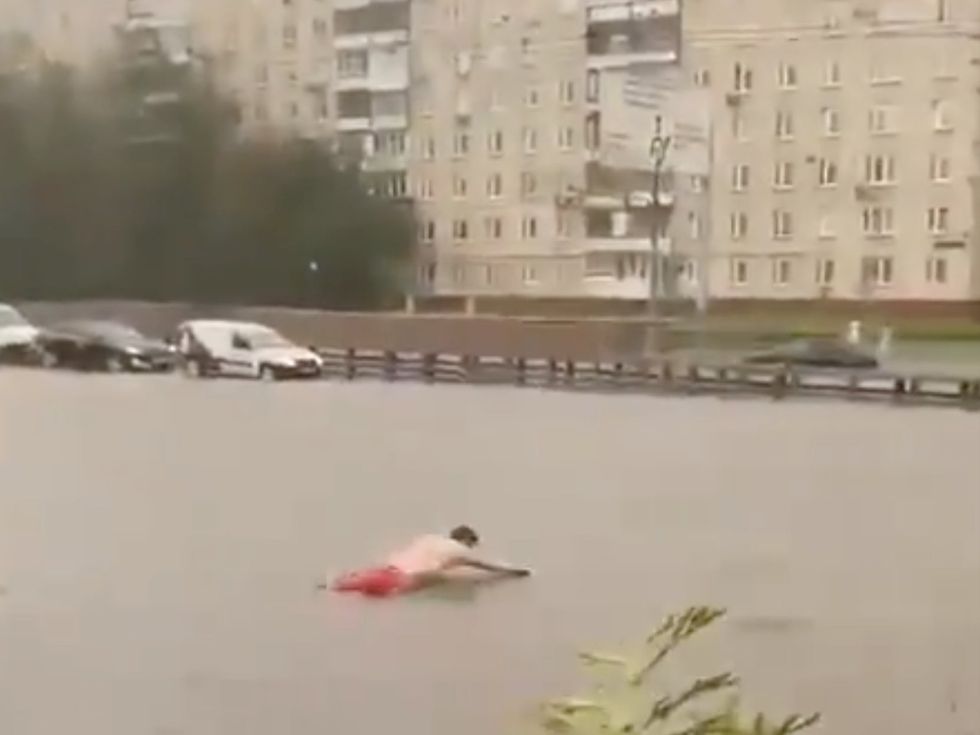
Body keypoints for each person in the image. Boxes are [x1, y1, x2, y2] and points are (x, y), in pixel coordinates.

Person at [329, 525, 530, 598]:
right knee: (439, 579)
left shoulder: (429, 538)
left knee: (343, 589)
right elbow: (486, 567)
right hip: (402, 582)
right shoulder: (460, 551)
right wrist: (515, 572)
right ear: (467, 541)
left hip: (387, 570)